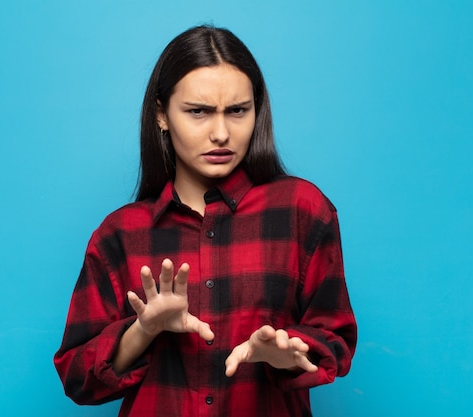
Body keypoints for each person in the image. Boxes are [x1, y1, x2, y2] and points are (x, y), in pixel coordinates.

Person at [54, 25, 357, 416]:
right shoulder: (120, 235)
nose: (220, 133)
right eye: (198, 111)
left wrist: (286, 354)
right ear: (162, 115)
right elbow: (76, 376)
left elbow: (335, 339)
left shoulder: (302, 210)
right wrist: (143, 330)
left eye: (237, 111)